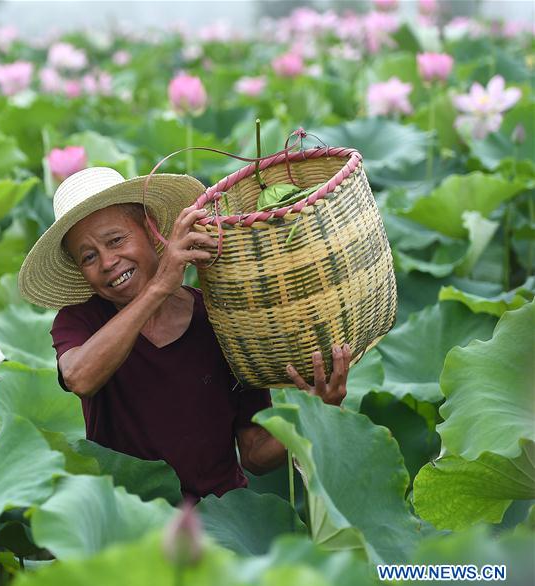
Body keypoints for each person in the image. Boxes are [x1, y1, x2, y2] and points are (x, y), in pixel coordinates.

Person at [18, 167, 352, 498]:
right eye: (89, 256)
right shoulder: (80, 320)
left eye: (116, 240)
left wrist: (313, 412)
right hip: (128, 524)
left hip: (217, 520)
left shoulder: (220, 319)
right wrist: (160, 285)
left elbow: (254, 453)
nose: (107, 262)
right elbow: (80, 377)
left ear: (151, 231)